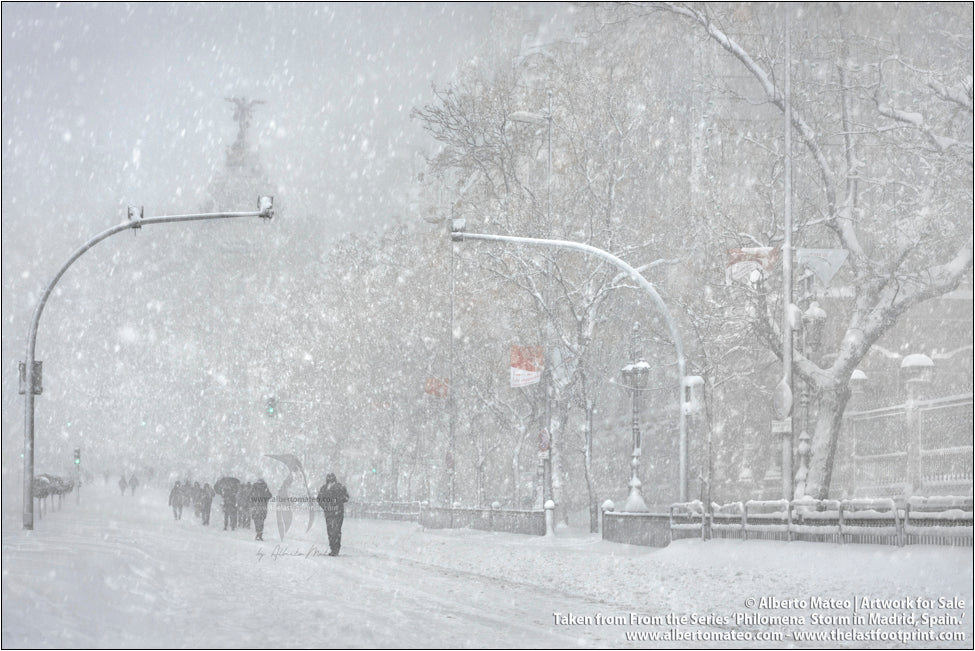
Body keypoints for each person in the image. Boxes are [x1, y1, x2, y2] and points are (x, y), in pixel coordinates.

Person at [316, 472, 349, 556]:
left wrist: (333, 503)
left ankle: (335, 549)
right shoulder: (329, 488)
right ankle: (334, 548)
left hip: (335, 513)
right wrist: (325, 506)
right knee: (332, 531)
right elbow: (319, 499)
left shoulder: (336, 487)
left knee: (335, 530)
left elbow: (346, 498)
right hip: (332, 512)